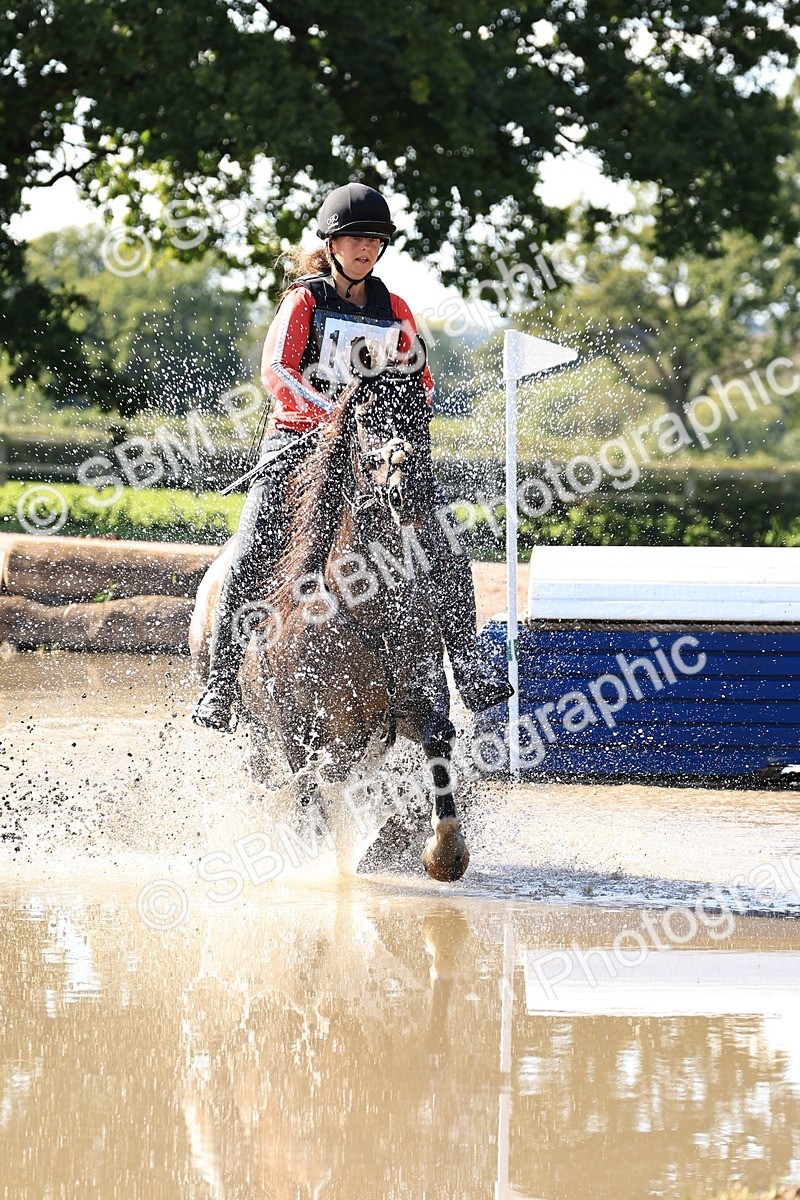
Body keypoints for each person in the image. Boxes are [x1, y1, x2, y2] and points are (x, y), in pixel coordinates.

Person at [193, 182, 513, 732]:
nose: (365, 248)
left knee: (440, 542)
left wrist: (398, 429)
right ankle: (222, 684)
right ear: (332, 243)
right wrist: (332, 417)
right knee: (249, 549)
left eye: (375, 239)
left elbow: (422, 383)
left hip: (377, 451)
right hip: (300, 446)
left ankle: (468, 667)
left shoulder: (396, 309)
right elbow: (277, 372)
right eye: (354, 238)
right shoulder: (305, 300)